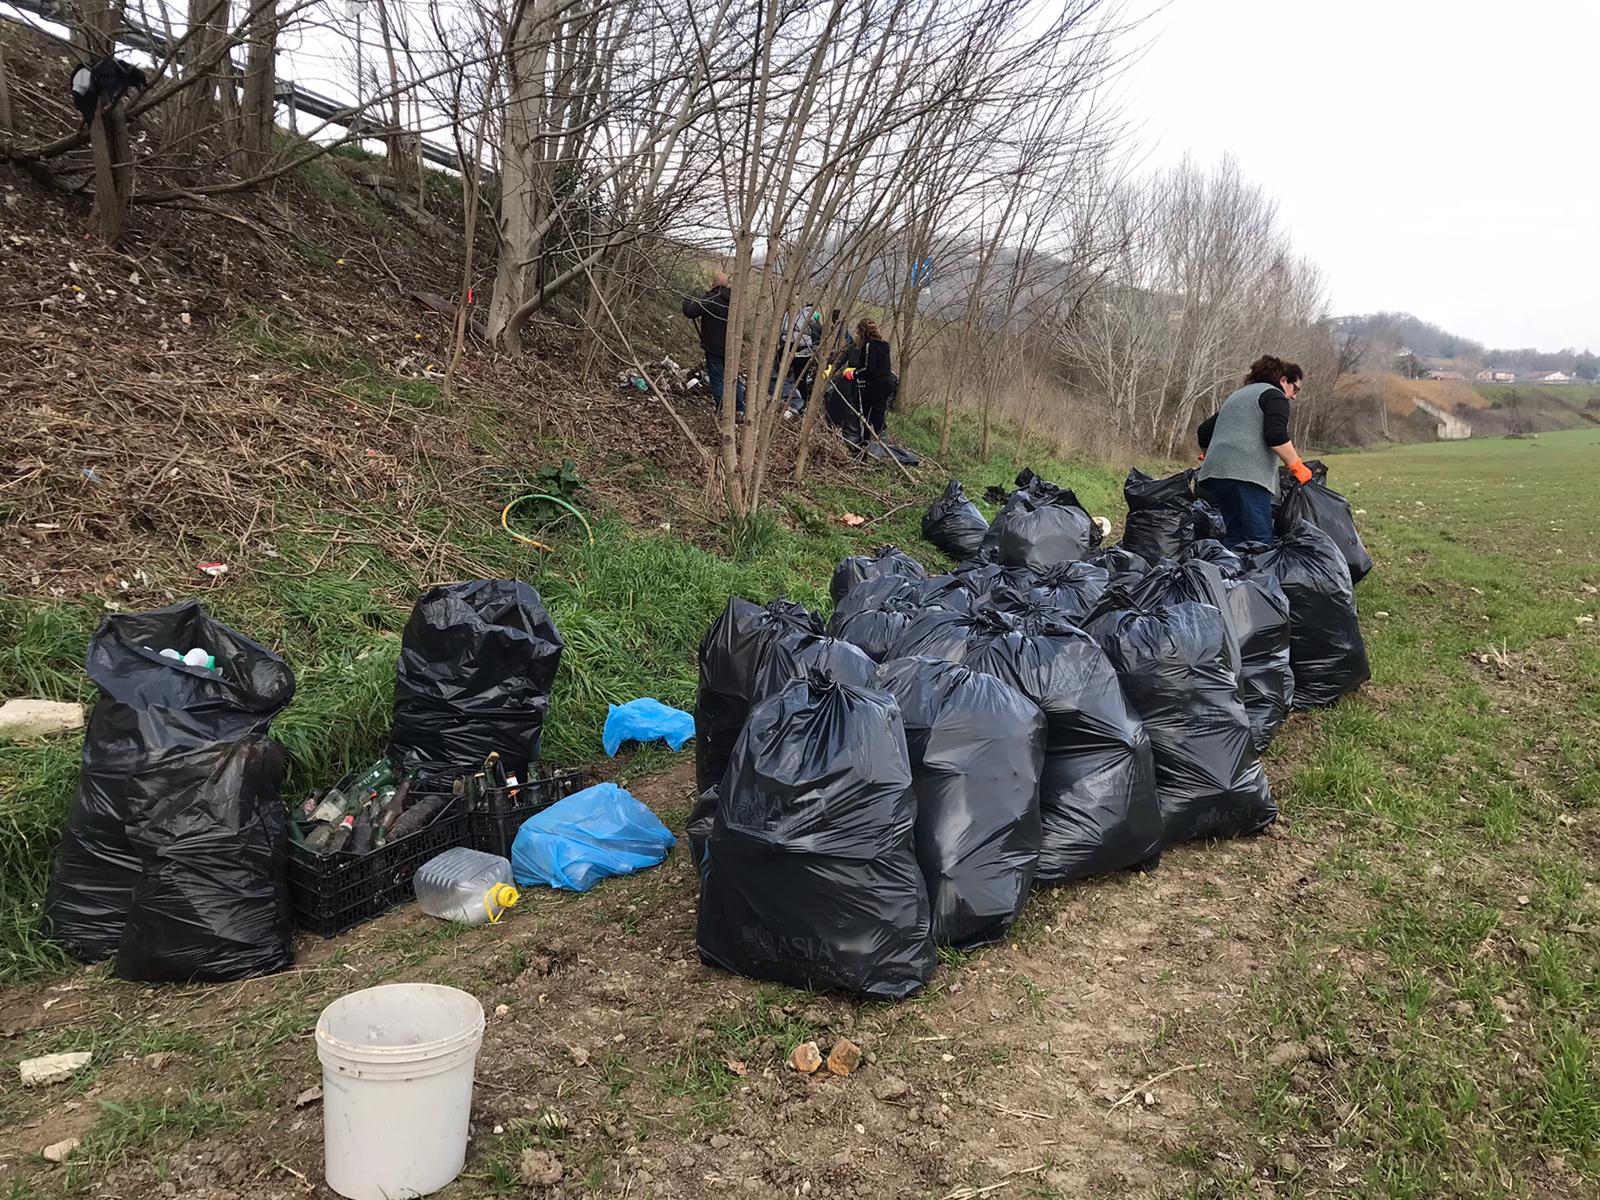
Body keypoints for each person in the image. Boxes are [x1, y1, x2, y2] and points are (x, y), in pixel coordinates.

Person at [1196, 354, 1314, 547]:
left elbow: (1204, 431)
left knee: (1235, 536)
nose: (1294, 396)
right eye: (1296, 389)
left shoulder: (1238, 396)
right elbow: (1275, 436)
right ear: (1284, 380)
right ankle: (1258, 576)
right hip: (1245, 476)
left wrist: (1209, 453)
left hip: (1215, 475)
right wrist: (1296, 465)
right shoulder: (1275, 395)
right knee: (1259, 539)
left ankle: (1229, 574)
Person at [682, 271, 744, 415]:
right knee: (733, 378)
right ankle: (740, 409)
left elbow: (690, 312)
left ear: (713, 284)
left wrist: (686, 301)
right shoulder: (735, 301)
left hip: (714, 347)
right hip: (732, 348)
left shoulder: (711, 298)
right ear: (727, 284)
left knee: (717, 379)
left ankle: (723, 410)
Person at [840, 318, 895, 441]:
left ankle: (866, 443)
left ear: (863, 332)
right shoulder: (884, 345)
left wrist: (853, 374)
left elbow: (868, 368)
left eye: (858, 332)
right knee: (878, 414)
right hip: (888, 383)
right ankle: (881, 442)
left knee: (867, 414)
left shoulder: (869, 345)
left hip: (877, 384)